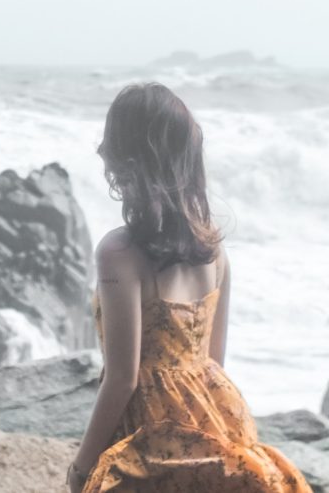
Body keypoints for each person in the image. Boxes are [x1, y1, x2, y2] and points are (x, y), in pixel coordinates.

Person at [67, 82, 313, 493]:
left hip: (150, 427)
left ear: (126, 156)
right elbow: (213, 360)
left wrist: (81, 467)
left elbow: (123, 377)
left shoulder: (119, 253)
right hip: (216, 414)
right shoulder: (215, 251)